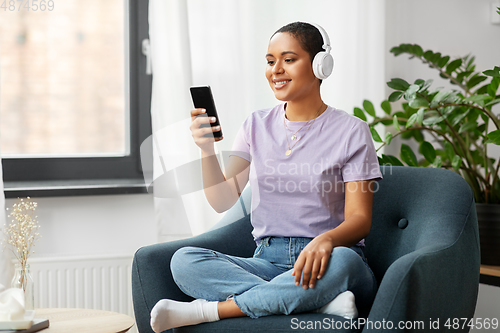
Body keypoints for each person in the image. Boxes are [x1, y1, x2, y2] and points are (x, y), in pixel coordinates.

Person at [150, 21, 382, 333]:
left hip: (329, 258)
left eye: (288, 59)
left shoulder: (352, 130)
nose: (276, 70)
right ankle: (315, 301)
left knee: (345, 264)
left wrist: (325, 241)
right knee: (184, 261)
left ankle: (210, 311)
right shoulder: (255, 125)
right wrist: (206, 150)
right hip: (267, 260)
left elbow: (360, 219)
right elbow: (222, 199)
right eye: (270, 61)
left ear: (319, 65)